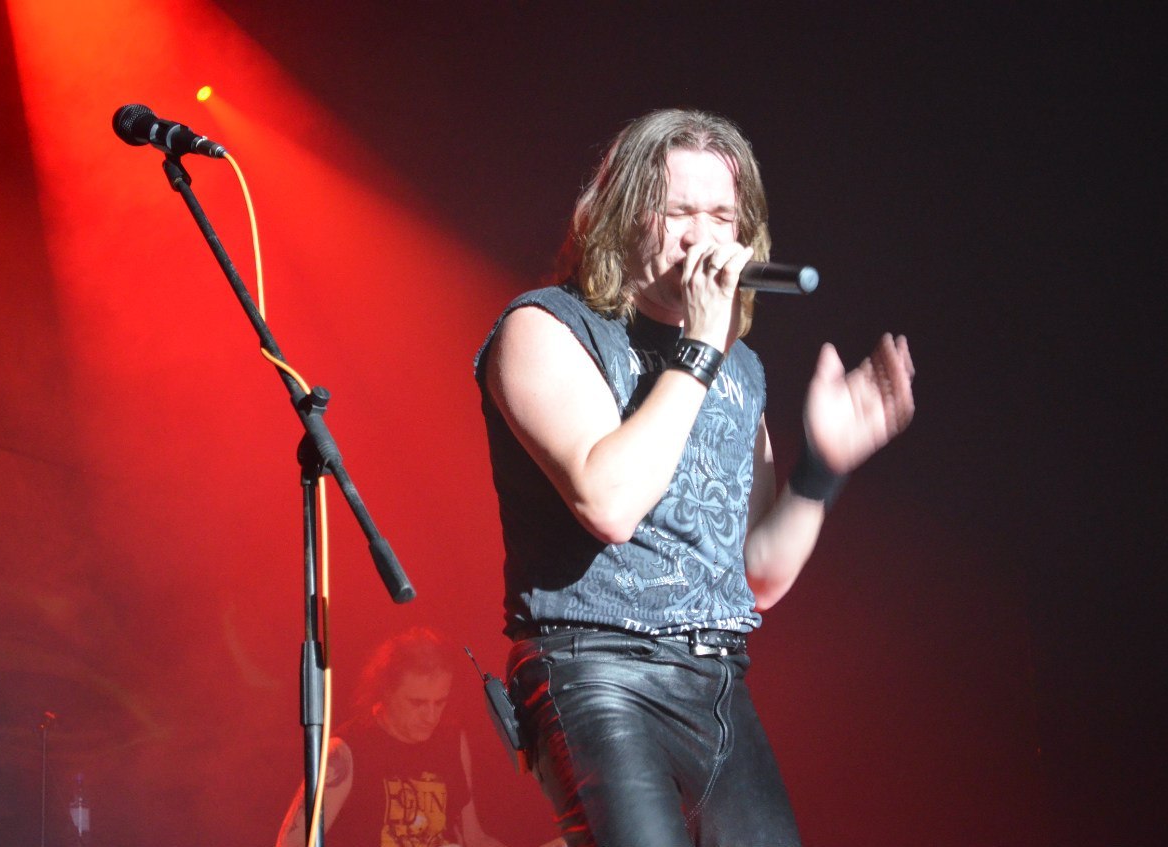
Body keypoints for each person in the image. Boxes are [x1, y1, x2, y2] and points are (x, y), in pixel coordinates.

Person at [473, 108, 916, 847]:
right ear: (620, 217)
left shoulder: (739, 369)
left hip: (716, 682)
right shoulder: (546, 329)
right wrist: (702, 347)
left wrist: (820, 468)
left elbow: (757, 575)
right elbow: (608, 502)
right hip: (597, 671)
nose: (701, 237)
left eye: (721, 216)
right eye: (679, 212)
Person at [275, 627, 526, 847]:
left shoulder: (451, 740)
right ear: (386, 691)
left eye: (440, 702)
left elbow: (473, 837)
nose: (431, 716)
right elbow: (291, 844)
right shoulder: (344, 753)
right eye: (417, 703)